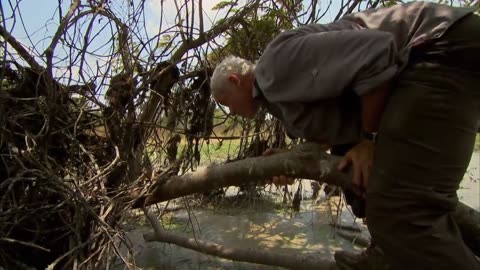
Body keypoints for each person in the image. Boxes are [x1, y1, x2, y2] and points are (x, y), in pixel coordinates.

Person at [210, 1, 480, 269]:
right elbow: (337, 122)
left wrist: (369, 139)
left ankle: (390, 249)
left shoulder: (275, 64)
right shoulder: (275, 98)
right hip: (430, 59)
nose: (231, 111)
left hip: (437, 45)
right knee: (357, 175)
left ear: (235, 81)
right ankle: (386, 252)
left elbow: (377, 51)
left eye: (227, 103)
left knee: (400, 211)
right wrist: (292, 158)